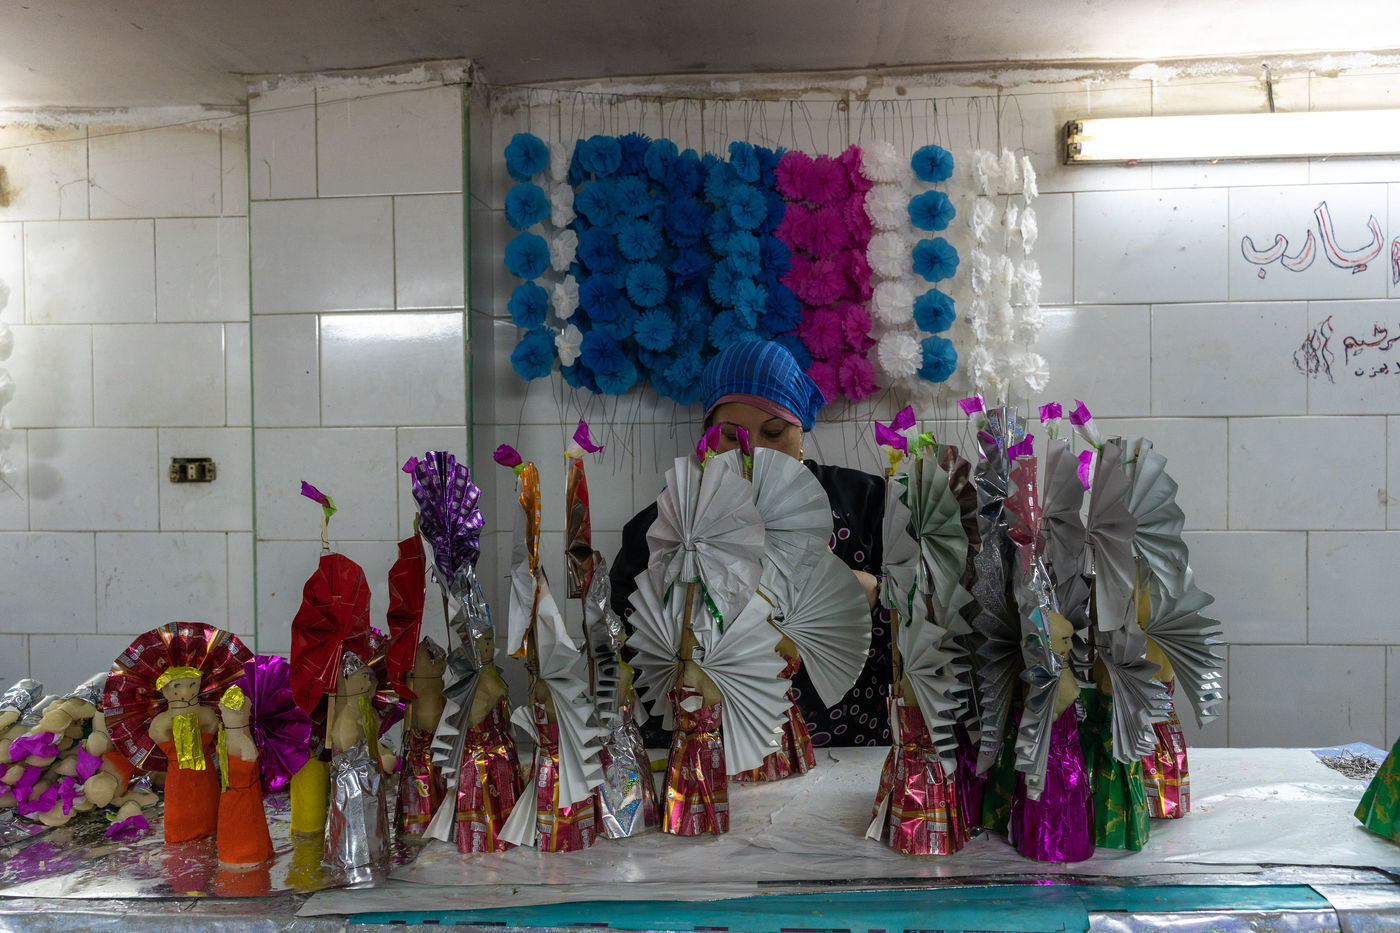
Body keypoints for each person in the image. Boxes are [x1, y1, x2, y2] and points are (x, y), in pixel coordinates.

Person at [611, 340, 891, 747]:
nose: (753, 451)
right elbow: (622, 647)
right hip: (706, 756)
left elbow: (930, 627)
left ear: (801, 431)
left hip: (848, 751)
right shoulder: (669, 525)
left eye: (774, 433)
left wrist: (871, 593)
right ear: (708, 438)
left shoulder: (864, 505)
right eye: (731, 436)